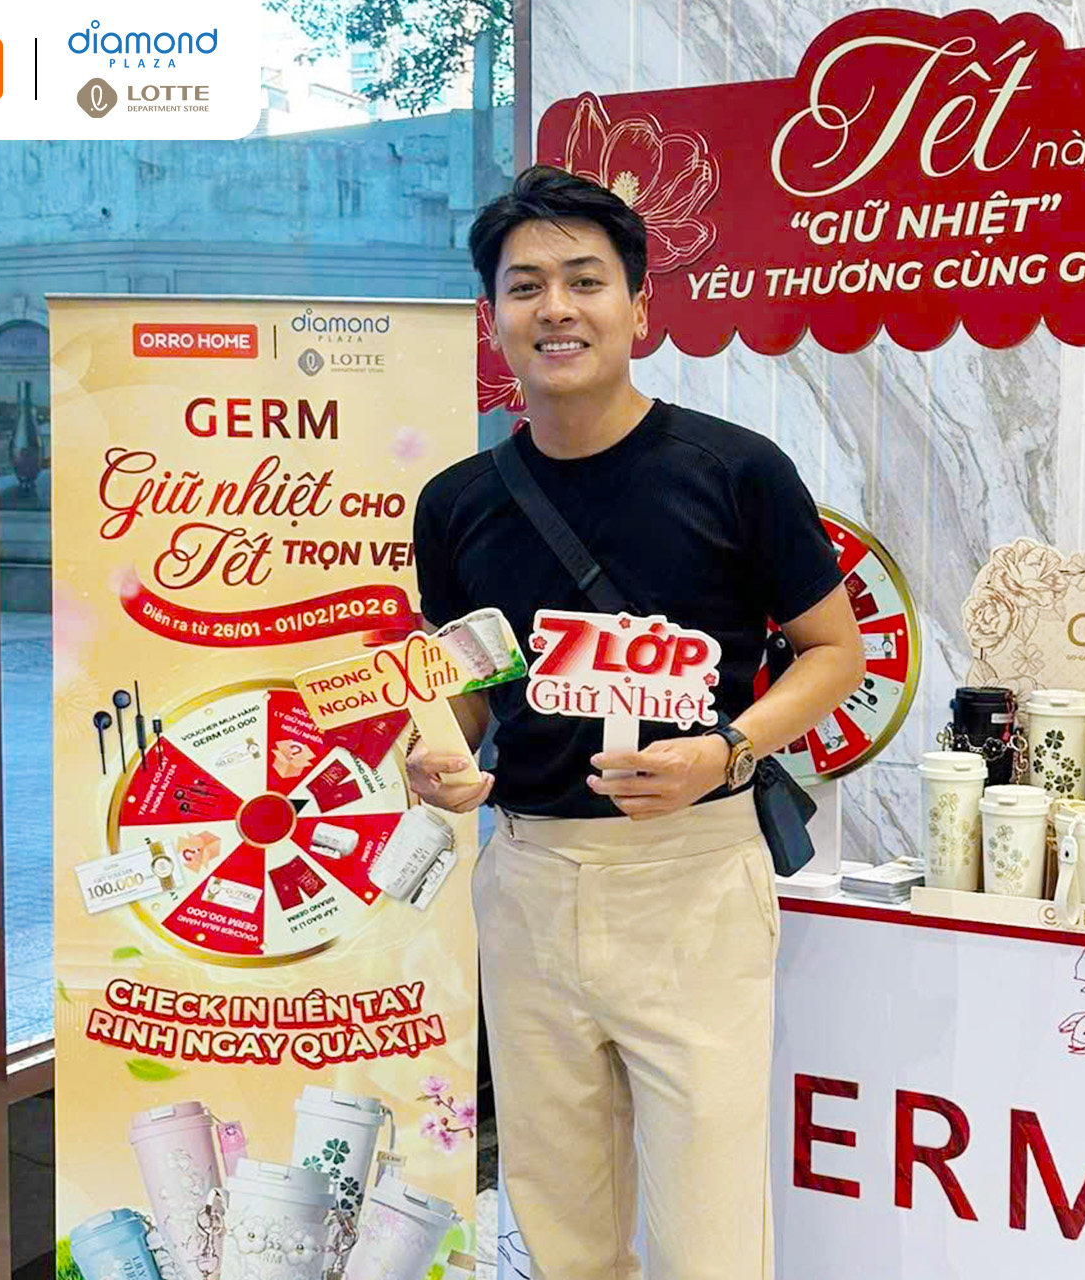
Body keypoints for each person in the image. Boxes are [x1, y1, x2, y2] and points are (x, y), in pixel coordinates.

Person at [408, 165, 865, 1279]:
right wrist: (438, 752)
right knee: (558, 1217)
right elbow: (466, 679)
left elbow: (834, 652)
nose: (555, 308)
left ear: (639, 306)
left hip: (693, 875)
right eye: (525, 286)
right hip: (527, 876)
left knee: (708, 1229)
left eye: (585, 280)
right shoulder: (458, 501)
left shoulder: (736, 471)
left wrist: (728, 748)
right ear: (493, 317)